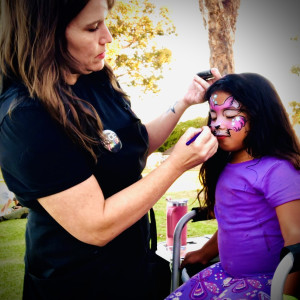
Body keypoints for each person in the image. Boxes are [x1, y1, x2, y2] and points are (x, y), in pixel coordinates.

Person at [0, 0, 219, 299]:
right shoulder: (25, 115)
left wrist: (183, 102)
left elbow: (132, 147)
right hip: (80, 283)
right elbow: (96, 226)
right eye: (92, 28)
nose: (108, 36)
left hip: (135, 267)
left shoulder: (94, 77)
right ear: (45, 35)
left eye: (104, 21)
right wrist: (176, 165)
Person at [166, 73, 300, 300]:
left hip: (268, 283)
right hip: (227, 275)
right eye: (213, 114)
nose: (217, 124)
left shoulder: (278, 170)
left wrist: (287, 295)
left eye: (229, 115)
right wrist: (204, 253)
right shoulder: (226, 164)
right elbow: (234, 221)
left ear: (260, 116)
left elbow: (296, 240)